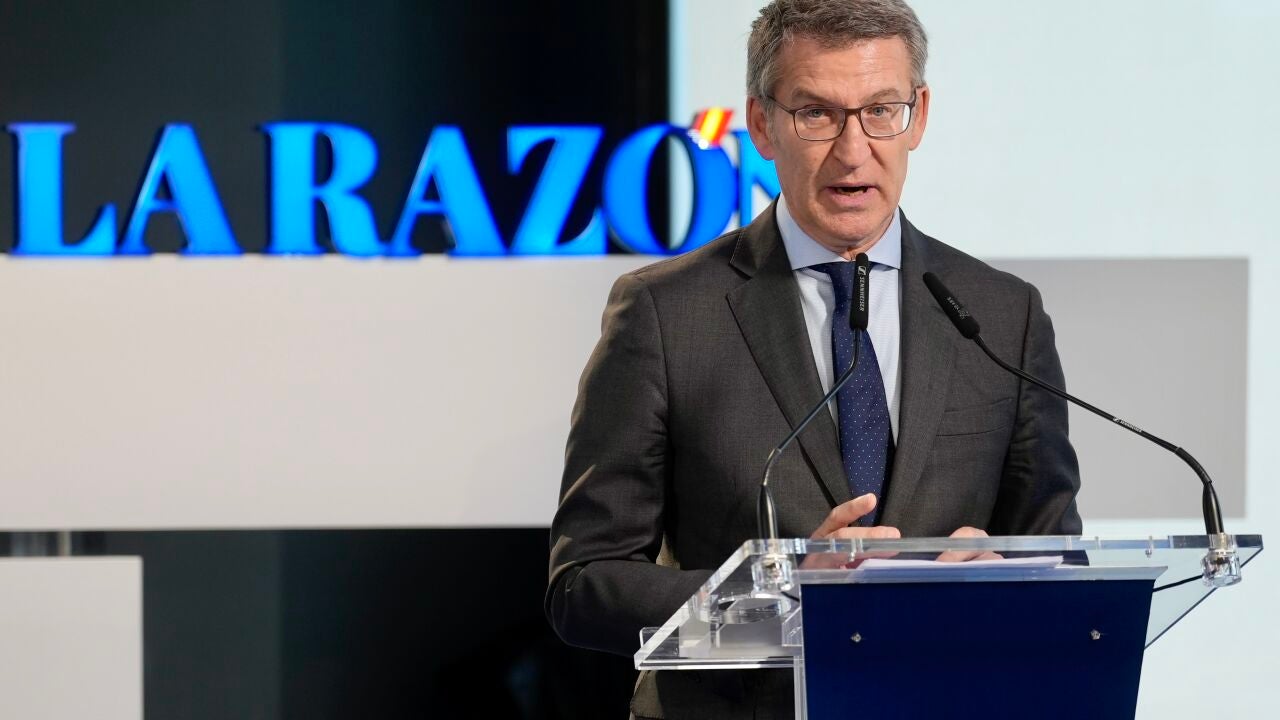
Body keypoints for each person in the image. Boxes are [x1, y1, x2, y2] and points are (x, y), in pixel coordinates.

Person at [547, 0, 1082, 716]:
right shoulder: (664, 314)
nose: (853, 150)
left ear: (919, 117)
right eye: (817, 114)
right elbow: (584, 584)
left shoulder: (1002, 314)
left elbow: (1060, 559)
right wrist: (776, 594)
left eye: (880, 111)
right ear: (763, 124)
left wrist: (1005, 582)